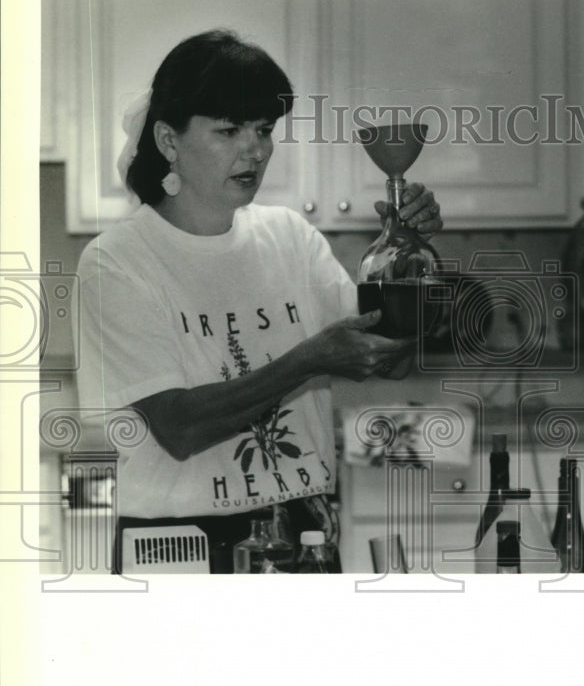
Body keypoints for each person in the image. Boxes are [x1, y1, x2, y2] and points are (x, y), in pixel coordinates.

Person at [75, 29, 443, 573]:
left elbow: (392, 359)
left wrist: (410, 253)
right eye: (228, 130)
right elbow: (180, 428)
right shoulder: (117, 261)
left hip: (304, 532)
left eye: (264, 130)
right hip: (181, 548)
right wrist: (310, 358)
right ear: (169, 141)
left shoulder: (290, 237)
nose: (255, 149)